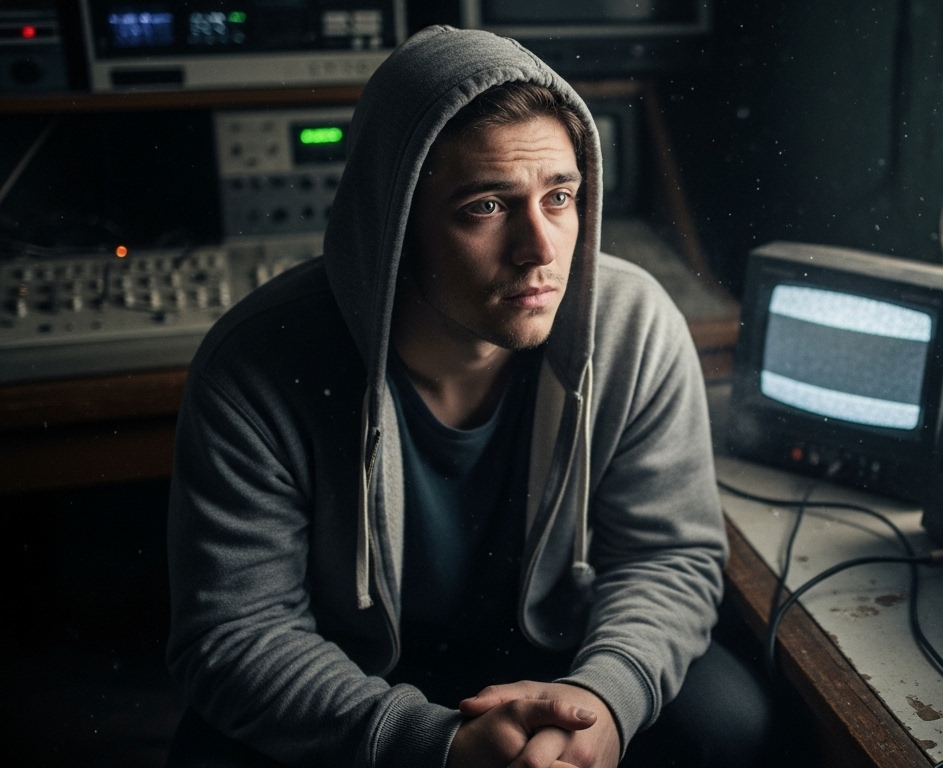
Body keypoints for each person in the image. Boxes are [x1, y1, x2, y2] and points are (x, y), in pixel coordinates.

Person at [165, 26, 769, 768]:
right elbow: (237, 632)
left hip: (559, 654)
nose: (540, 248)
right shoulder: (252, 364)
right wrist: (437, 746)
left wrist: (604, 705)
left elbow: (666, 558)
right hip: (350, 670)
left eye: (560, 197)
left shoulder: (635, 325)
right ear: (395, 225)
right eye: (486, 206)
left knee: (731, 722)